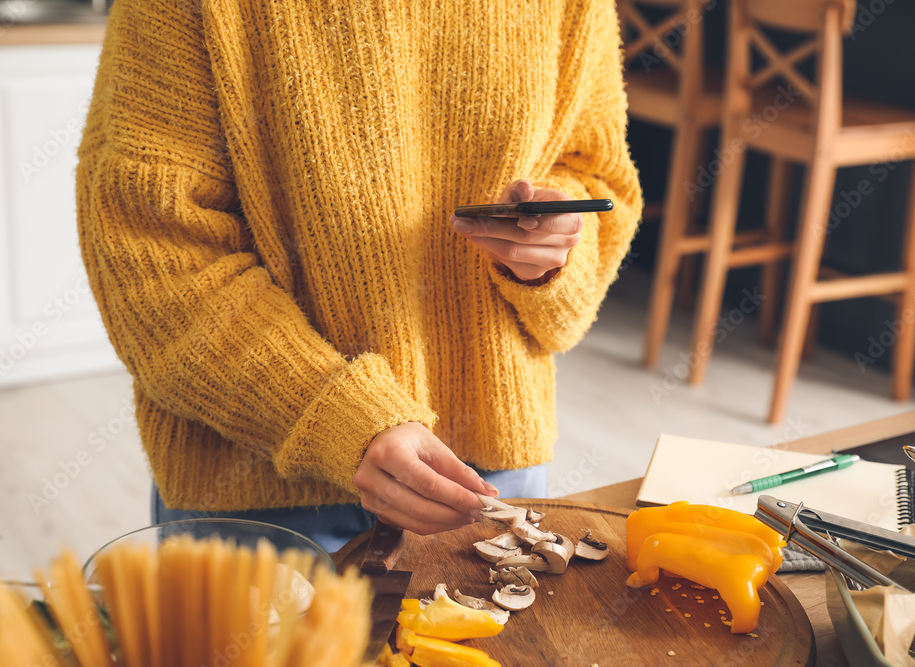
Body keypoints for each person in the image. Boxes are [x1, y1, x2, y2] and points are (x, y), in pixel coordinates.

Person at [76, 0, 642, 553]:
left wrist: (556, 247)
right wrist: (335, 418)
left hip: (491, 471)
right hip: (263, 495)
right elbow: (155, 258)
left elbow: (596, 173)